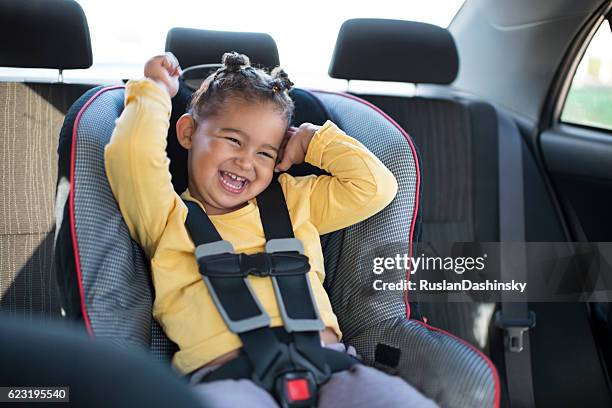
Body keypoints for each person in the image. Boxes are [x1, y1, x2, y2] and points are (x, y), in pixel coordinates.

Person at [105, 51, 438, 407]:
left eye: (265, 153)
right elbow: (131, 157)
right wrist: (156, 89)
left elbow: (375, 188)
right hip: (228, 380)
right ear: (187, 132)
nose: (246, 161)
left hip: (331, 369)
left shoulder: (297, 201)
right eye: (233, 140)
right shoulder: (164, 215)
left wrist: (312, 140)